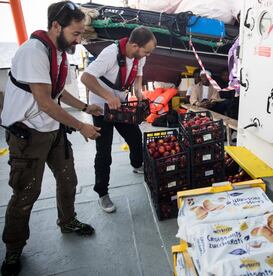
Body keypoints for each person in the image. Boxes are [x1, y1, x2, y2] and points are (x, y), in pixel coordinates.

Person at [0, 2, 102, 275]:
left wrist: (83, 107)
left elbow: (56, 91)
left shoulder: (58, 51)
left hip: (52, 130)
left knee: (68, 178)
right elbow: (45, 102)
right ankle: (13, 249)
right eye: (75, 33)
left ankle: (67, 220)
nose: (78, 40)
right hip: (27, 134)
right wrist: (81, 126)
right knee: (26, 193)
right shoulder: (34, 52)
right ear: (57, 26)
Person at [81, 27, 157, 213]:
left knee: (135, 137)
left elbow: (137, 78)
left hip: (121, 106)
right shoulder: (110, 54)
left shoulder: (140, 56)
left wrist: (139, 93)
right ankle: (102, 194)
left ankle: (137, 165)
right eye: (146, 51)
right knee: (104, 152)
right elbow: (86, 77)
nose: (147, 55)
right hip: (101, 108)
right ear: (133, 45)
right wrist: (108, 96)